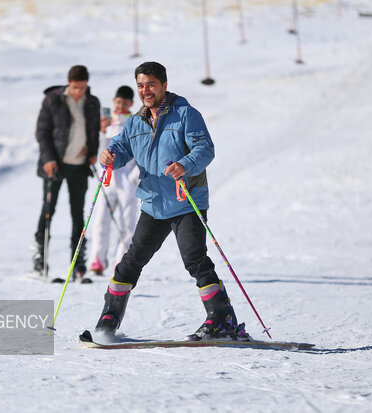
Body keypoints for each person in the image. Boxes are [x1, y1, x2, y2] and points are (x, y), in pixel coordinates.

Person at [94, 62, 249, 341]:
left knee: (195, 259)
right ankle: (109, 316)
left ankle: (221, 319)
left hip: (186, 200)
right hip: (154, 202)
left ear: (164, 85)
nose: (145, 91)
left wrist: (185, 164)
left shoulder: (186, 115)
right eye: (141, 85)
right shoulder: (135, 122)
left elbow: (205, 148)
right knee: (131, 260)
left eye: (151, 84)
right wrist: (110, 155)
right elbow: (121, 146)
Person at [33, 65, 100, 280]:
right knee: (48, 210)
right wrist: (48, 159)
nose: (78, 92)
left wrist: (92, 153)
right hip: (55, 165)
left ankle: (78, 263)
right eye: (74, 87)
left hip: (79, 166)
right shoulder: (53, 99)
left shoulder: (92, 102)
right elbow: (42, 132)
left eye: (82, 87)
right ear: (68, 83)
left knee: (78, 214)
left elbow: (93, 131)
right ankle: (40, 260)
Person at [89, 86, 139, 276]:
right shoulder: (107, 123)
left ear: (131, 104)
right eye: (118, 102)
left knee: (127, 223)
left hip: (127, 180)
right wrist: (102, 132)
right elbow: (101, 151)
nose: (120, 106)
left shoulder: (135, 123)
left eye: (124, 104)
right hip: (108, 179)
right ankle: (97, 259)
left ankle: (121, 259)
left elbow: (139, 153)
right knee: (101, 220)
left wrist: (135, 175)